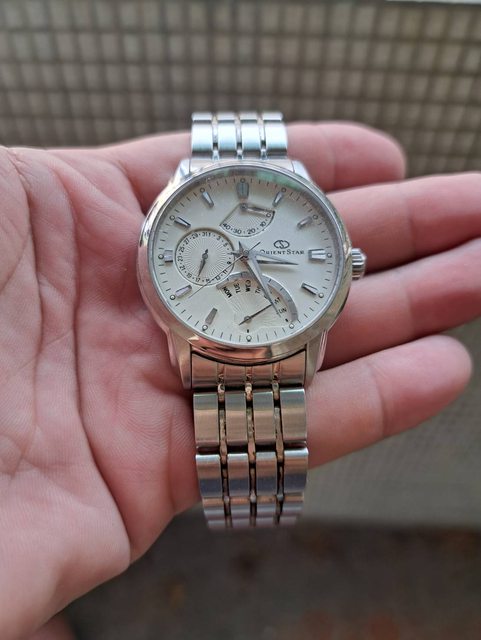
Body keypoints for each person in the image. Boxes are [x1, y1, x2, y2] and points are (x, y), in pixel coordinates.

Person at [0, 122, 479, 639]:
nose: (243, 258)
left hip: (277, 338)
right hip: (204, 338)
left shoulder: (295, 238)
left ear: (349, 265)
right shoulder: (180, 230)